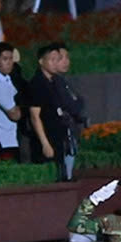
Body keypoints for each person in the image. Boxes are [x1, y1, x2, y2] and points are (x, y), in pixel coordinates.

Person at [23, 42, 82, 181]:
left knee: (61, 175)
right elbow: (35, 117)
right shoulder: (37, 84)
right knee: (49, 176)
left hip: (59, 136)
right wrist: (45, 144)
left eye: (57, 59)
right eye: (52, 59)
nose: (56, 63)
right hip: (46, 138)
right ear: (41, 61)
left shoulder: (56, 82)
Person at [0, 42, 18, 161]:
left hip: (8, 139)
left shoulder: (7, 79)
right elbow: (14, 115)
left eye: (11, 58)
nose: (9, 62)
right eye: (5, 59)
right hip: (0, 141)